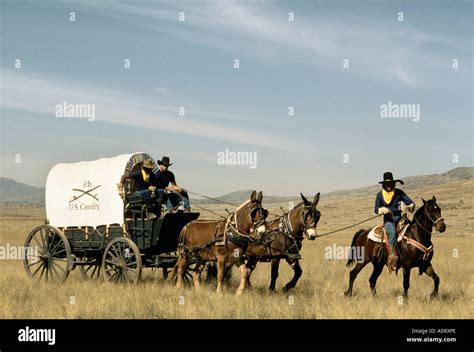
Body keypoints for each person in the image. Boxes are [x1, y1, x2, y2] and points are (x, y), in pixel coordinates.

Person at [374, 172, 415, 273]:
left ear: (394, 183)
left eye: (391, 183)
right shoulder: (379, 195)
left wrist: (410, 206)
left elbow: (410, 202)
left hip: (400, 218)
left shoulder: (399, 192)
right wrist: (381, 209)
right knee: (392, 233)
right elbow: (376, 209)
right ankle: (392, 255)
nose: (389, 186)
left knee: (412, 230)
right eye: (387, 184)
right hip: (388, 220)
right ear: (384, 185)